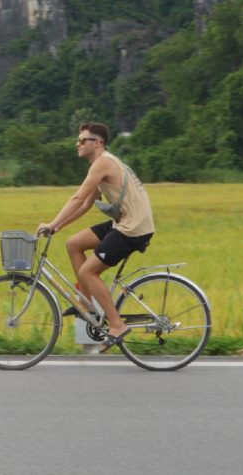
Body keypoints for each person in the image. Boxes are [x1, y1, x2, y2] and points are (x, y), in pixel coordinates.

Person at [37, 122, 154, 351]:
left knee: (87, 271)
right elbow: (86, 205)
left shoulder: (103, 163)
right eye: (78, 140)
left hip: (132, 228)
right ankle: (87, 305)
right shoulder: (101, 164)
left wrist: (51, 222)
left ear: (97, 142)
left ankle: (117, 325)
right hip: (123, 222)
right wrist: (58, 226)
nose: (77, 144)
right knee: (74, 244)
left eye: (82, 140)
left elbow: (77, 199)